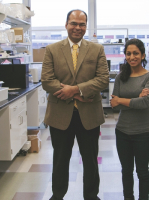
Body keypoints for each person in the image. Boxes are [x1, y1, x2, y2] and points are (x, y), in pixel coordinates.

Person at [41, 9, 109, 200]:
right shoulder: (52, 49)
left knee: (90, 160)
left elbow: (103, 79)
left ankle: (91, 196)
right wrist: (73, 93)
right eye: (73, 23)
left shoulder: (97, 50)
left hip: (89, 114)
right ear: (66, 25)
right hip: (60, 115)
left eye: (81, 24)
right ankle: (58, 195)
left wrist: (76, 89)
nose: (77, 28)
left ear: (86, 27)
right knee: (60, 160)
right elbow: (47, 81)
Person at [110, 38, 149, 200]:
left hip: (143, 132)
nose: (132, 57)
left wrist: (124, 100)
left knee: (142, 172)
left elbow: (144, 103)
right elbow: (114, 105)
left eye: (136, 53)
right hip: (122, 131)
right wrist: (135, 98)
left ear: (143, 55)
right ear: (125, 56)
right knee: (126, 171)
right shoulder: (120, 77)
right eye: (129, 54)